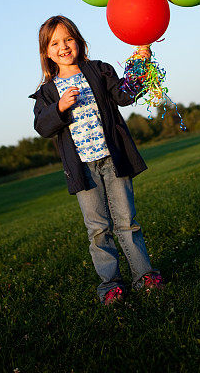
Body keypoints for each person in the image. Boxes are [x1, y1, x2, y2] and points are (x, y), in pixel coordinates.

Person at [30, 15, 164, 306]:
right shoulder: (46, 93)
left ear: (78, 41)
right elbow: (42, 126)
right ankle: (111, 284)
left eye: (68, 39)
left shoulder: (99, 71)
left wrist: (142, 59)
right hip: (84, 170)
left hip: (113, 159)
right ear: (46, 52)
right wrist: (60, 106)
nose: (63, 47)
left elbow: (124, 95)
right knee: (98, 229)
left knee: (127, 221)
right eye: (55, 43)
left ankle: (145, 276)